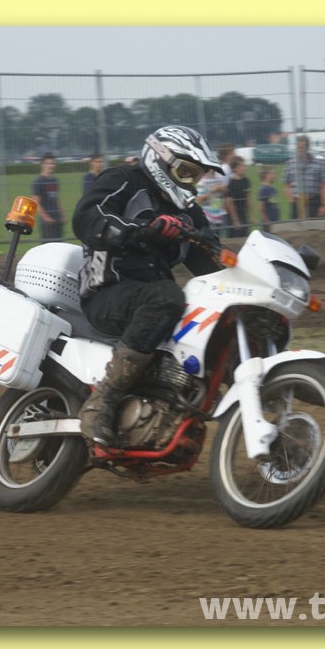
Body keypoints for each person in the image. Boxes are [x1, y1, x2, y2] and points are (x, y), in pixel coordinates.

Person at [72, 125, 225, 449]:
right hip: (108, 292)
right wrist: (143, 230)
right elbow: (87, 219)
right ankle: (102, 402)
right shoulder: (124, 180)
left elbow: (210, 260)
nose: (190, 182)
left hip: (151, 300)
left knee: (217, 317)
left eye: (196, 175)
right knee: (168, 297)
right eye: (185, 171)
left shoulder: (188, 212)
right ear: (161, 159)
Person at [283, 135, 325, 219]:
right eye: (298, 147)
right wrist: (291, 200)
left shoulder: (318, 164)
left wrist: (323, 205)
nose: (299, 150)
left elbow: (324, 186)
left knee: (314, 225)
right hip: (297, 202)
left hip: (313, 202)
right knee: (296, 226)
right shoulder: (290, 163)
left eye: (301, 148)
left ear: (307, 147)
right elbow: (286, 184)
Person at [31, 152, 66, 242]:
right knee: (48, 246)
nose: (51, 166)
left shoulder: (55, 180)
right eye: (48, 163)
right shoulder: (38, 181)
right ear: (42, 165)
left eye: (53, 163)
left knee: (59, 245)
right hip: (47, 222)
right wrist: (46, 218)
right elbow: (36, 202)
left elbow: (56, 200)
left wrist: (63, 214)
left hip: (57, 219)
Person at [226, 155, 251, 238]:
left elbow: (248, 199)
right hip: (234, 217)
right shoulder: (232, 183)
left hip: (243, 215)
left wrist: (251, 216)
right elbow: (230, 203)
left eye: (244, 166)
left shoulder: (246, 181)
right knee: (235, 239)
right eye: (241, 166)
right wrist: (235, 220)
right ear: (235, 169)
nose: (244, 168)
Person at [257, 165, 280, 232]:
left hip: (275, 221)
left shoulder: (273, 189)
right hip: (268, 224)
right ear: (266, 175)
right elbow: (261, 208)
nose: (275, 176)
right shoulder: (264, 190)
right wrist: (267, 222)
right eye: (273, 174)